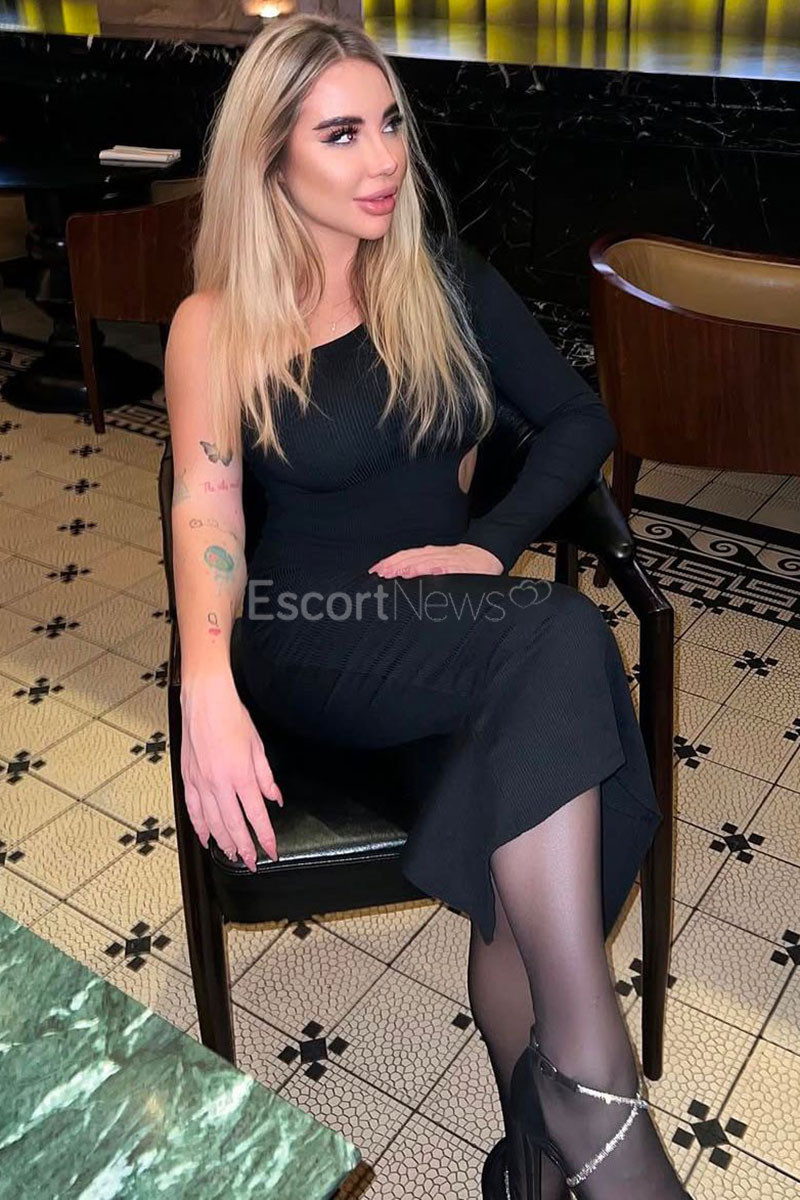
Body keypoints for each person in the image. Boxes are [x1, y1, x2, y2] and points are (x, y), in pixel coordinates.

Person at [164, 14, 691, 1200]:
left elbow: (579, 421)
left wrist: (486, 545)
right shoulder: (219, 323)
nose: (384, 158)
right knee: (561, 636)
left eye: (389, 122)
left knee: (531, 746)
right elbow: (205, 507)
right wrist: (206, 685)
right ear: (269, 159)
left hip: (445, 634)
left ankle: (539, 1152)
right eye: (340, 134)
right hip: (309, 631)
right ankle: (590, 1086)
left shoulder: (442, 279)